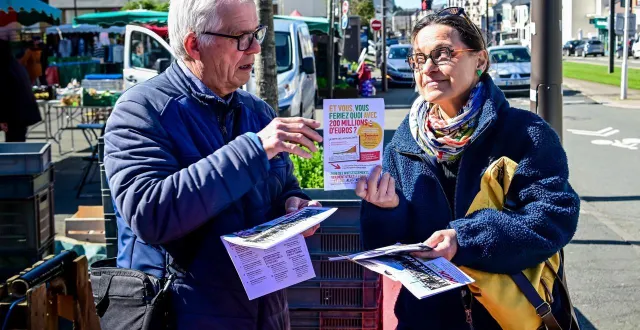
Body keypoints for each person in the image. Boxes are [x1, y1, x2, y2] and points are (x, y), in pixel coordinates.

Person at [103, 0, 323, 328]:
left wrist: (294, 206)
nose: (256, 48)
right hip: (183, 316)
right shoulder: (141, 111)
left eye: (257, 33)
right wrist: (255, 149)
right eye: (241, 37)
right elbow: (149, 215)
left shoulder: (256, 111)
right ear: (194, 44)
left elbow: (281, 189)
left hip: (266, 313)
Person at [356, 7, 580, 330]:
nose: (428, 68)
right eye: (418, 59)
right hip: (425, 322)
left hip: (507, 320)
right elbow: (384, 249)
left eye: (443, 53)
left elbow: (555, 217)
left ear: (480, 61)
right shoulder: (402, 145)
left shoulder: (524, 134)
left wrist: (463, 240)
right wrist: (385, 211)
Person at [0, 40, 42, 142]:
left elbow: (4, 94)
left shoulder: (5, 69)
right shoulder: (15, 65)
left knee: (14, 147)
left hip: (15, 115)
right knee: (17, 145)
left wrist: (2, 118)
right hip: (22, 114)